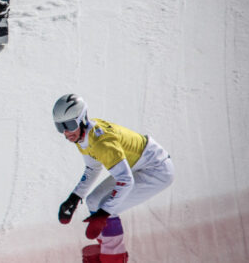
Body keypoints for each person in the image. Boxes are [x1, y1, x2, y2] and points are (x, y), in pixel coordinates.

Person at [52, 94, 175, 263]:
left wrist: (104, 214)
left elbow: (126, 181)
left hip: (157, 170)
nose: (66, 132)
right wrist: (74, 197)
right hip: (139, 165)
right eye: (60, 127)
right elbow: (92, 167)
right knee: (94, 201)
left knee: (107, 208)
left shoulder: (102, 143)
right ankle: (110, 251)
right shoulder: (83, 137)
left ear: (82, 120)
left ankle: (114, 258)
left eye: (70, 125)